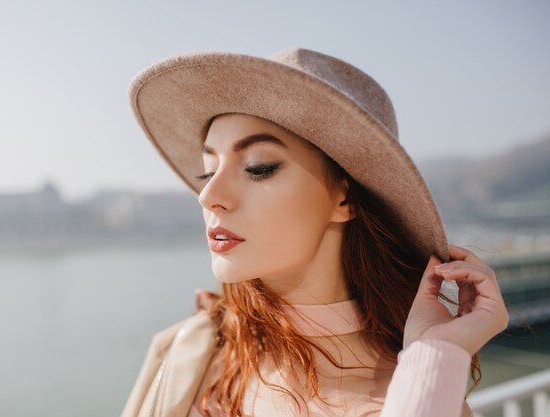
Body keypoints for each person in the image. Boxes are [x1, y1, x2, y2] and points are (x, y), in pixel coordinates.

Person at [120, 48, 509, 417]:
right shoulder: (193, 348)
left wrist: (435, 353)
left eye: (258, 167)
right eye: (207, 170)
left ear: (345, 199)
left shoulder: (421, 394)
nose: (208, 195)